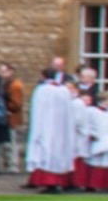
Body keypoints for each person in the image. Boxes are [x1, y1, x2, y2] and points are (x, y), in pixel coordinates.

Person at [22, 62, 78, 190]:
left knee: (45, 152)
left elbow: (37, 111)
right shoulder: (64, 90)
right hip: (61, 128)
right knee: (57, 152)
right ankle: (59, 182)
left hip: (45, 126)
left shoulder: (42, 90)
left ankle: (51, 183)